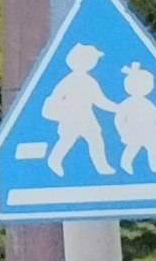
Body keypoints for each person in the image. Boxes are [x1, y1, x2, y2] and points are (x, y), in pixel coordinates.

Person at [40, 41, 112, 175]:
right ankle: (54, 160)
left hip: (85, 118)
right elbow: (56, 96)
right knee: (69, 140)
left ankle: (102, 166)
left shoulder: (89, 81)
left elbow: (99, 100)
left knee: (95, 140)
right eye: (92, 59)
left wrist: (117, 108)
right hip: (71, 118)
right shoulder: (70, 80)